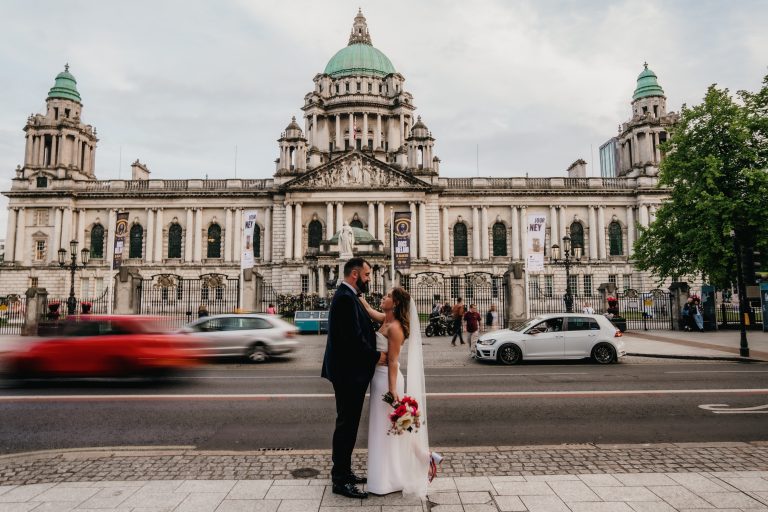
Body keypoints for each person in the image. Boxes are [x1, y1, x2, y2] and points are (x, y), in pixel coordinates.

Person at [359, 287, 438, 497]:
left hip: (387, 380)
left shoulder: (395, 327)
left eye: (387, 297)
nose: (383, 298)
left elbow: (393, 361)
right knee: (390, 427)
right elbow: (370, 311)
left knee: (388, 429)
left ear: (394, 304)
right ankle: (422, 456)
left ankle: (390, 478)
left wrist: (393, 391)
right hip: (379, 379)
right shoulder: (385, 319)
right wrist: (361, 300)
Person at [321, 257, 387, 499]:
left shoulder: (350, 296)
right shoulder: (346, 299)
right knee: (346, 426)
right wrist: (375, 356)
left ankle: (344, 471)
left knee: (348, 425)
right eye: (368, 274)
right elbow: (352, 339)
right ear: (355, 275)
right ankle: (340, 479)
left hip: (349, 371)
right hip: (348, 372)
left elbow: (361, 330)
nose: (370, 278)